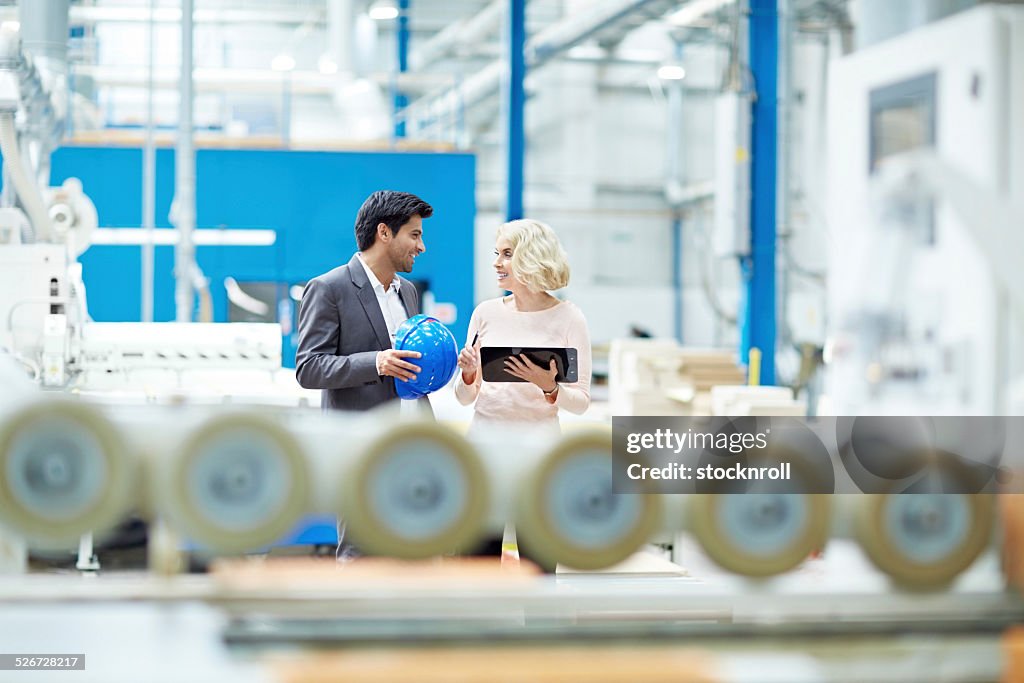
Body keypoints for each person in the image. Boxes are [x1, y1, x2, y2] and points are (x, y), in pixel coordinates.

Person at [295, 190, 433, 413]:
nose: (421, 246)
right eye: (415, 235)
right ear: (384, 232)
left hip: (411, 436)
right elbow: (309, 368)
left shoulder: (408, 291)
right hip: (359, 441)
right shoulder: (329, 288)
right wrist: (376, 363)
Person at [455, 218, 592, 432]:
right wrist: (468, 374)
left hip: (540, 446)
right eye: (497, 253)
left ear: (532, 258)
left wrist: (551, 387)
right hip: (484, 439)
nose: (496, 262)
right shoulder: (485, 313)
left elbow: (581, 403)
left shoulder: (569, 317)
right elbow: (464, 399)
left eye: (507, 254)